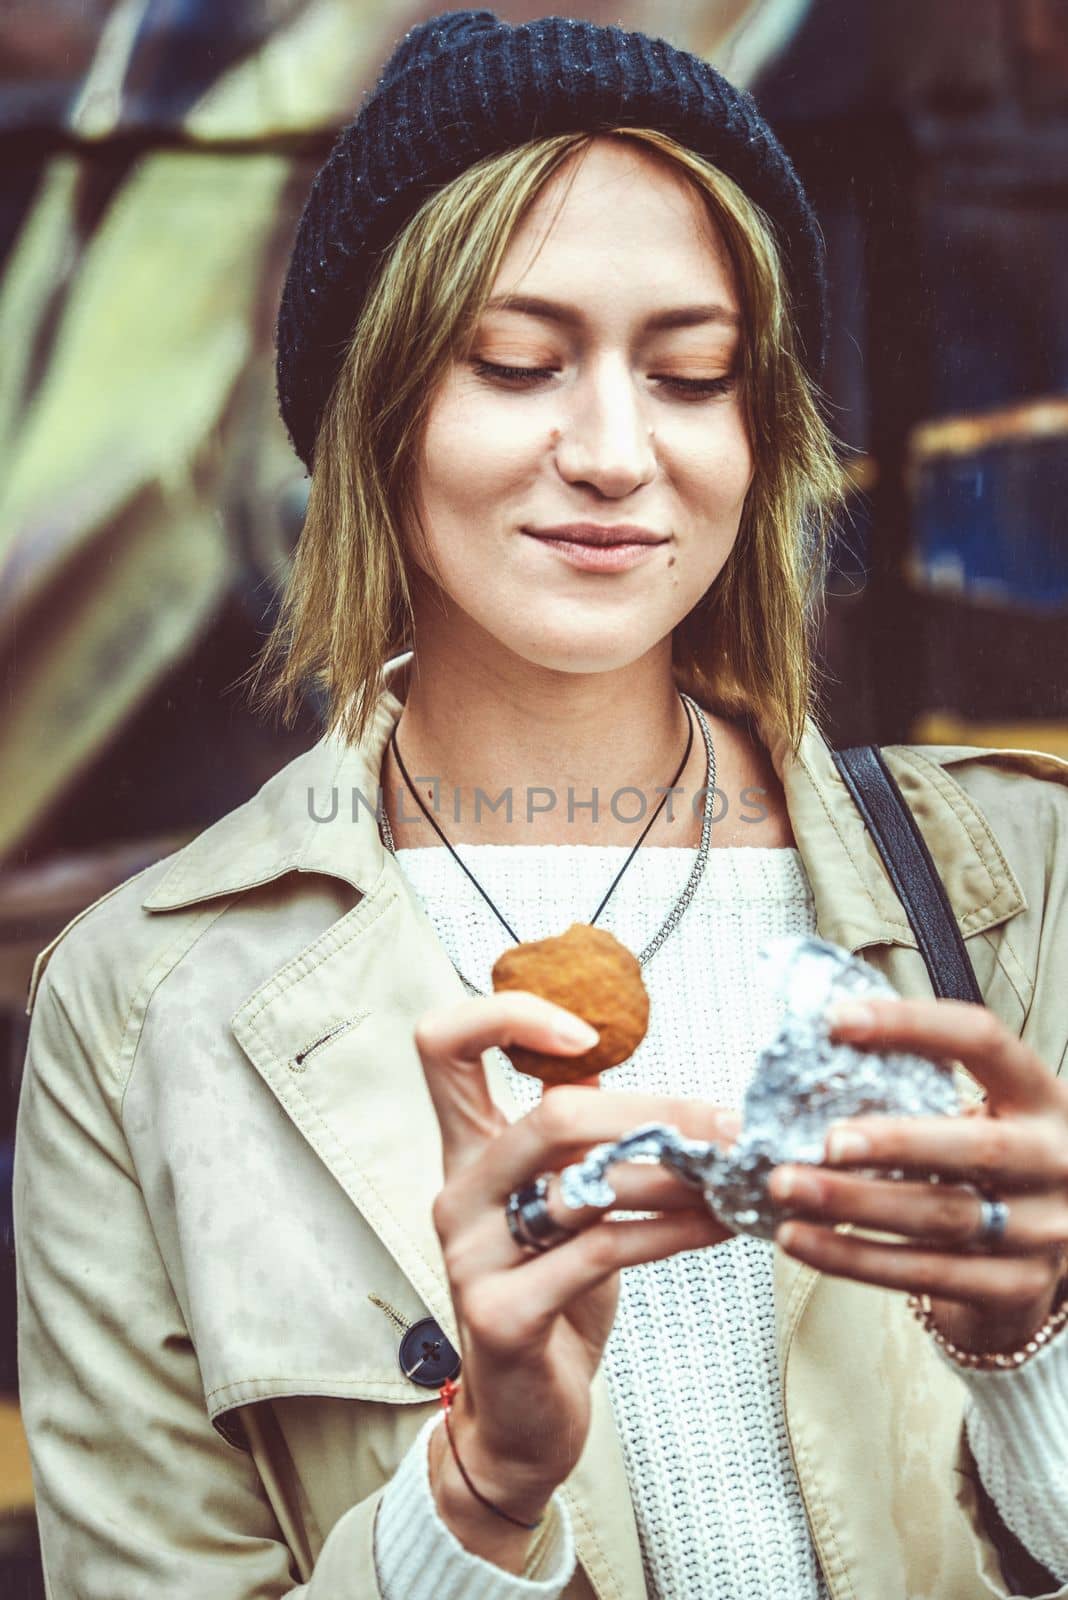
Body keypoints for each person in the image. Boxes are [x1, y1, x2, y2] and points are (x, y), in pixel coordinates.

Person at [14, 11, 1068, 1600]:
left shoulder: (1022, 886)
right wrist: (479, 1494)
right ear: (377, 413)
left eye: (694, 375)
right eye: (516, 364)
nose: (615, 452)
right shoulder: (143, 1000)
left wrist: (1033, 1351)